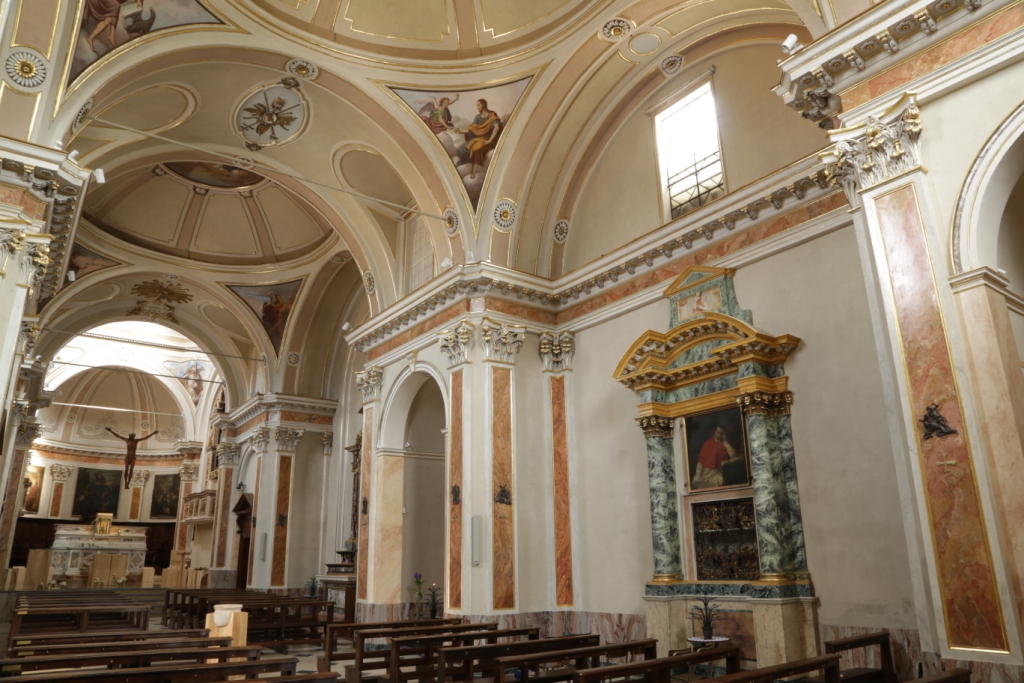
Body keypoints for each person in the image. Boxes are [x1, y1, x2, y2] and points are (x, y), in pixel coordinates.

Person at [456, 99, 501, 180]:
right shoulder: (477, 117)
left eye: (478, 105)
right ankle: (467, 161)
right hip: (477, 138)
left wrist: (489, 140)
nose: (477, 107)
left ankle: (473, 171)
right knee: (461, 150)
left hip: (488, 139)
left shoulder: (492, 116)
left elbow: (496, 128)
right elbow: (472, 129)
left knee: (476, 149)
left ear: (483, 105)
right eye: (477, 105)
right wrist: (460, 131)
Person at [691, 423, 742, 489]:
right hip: (705, 473)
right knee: (696, 482)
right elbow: (700, 461)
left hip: (716, 472)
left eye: (721, 433)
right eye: (718, 432)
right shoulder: (707, 443)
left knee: (720, 479)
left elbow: (733, 455)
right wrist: (698, 474)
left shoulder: (724, 444)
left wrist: (725, 441)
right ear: (714, 432)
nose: (719, 435)